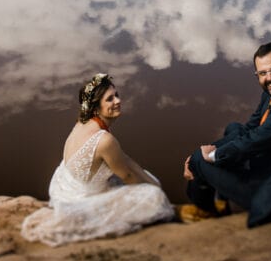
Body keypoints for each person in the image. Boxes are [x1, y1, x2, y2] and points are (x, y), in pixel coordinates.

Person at [21, 73, 174, 246]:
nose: (117, 101)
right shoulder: (105, 140)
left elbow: (124, 159)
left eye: (116, 95)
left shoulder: (83, 122)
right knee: (154, 196)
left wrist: (145, 177)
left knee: (147, 177)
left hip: (65, 184)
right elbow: (128, 177)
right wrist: (153, 189)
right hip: (82, 198)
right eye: (110, 99)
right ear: (96, 108)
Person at [181, 41, 271, 227]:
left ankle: (205, 210)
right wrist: (215, 149)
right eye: (263, 73)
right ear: (257, 75)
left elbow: (253, 140)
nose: (269, 78)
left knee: (199, 160)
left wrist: (200, 159)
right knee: (234, 129)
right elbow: (250, 128)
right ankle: (221, 200)